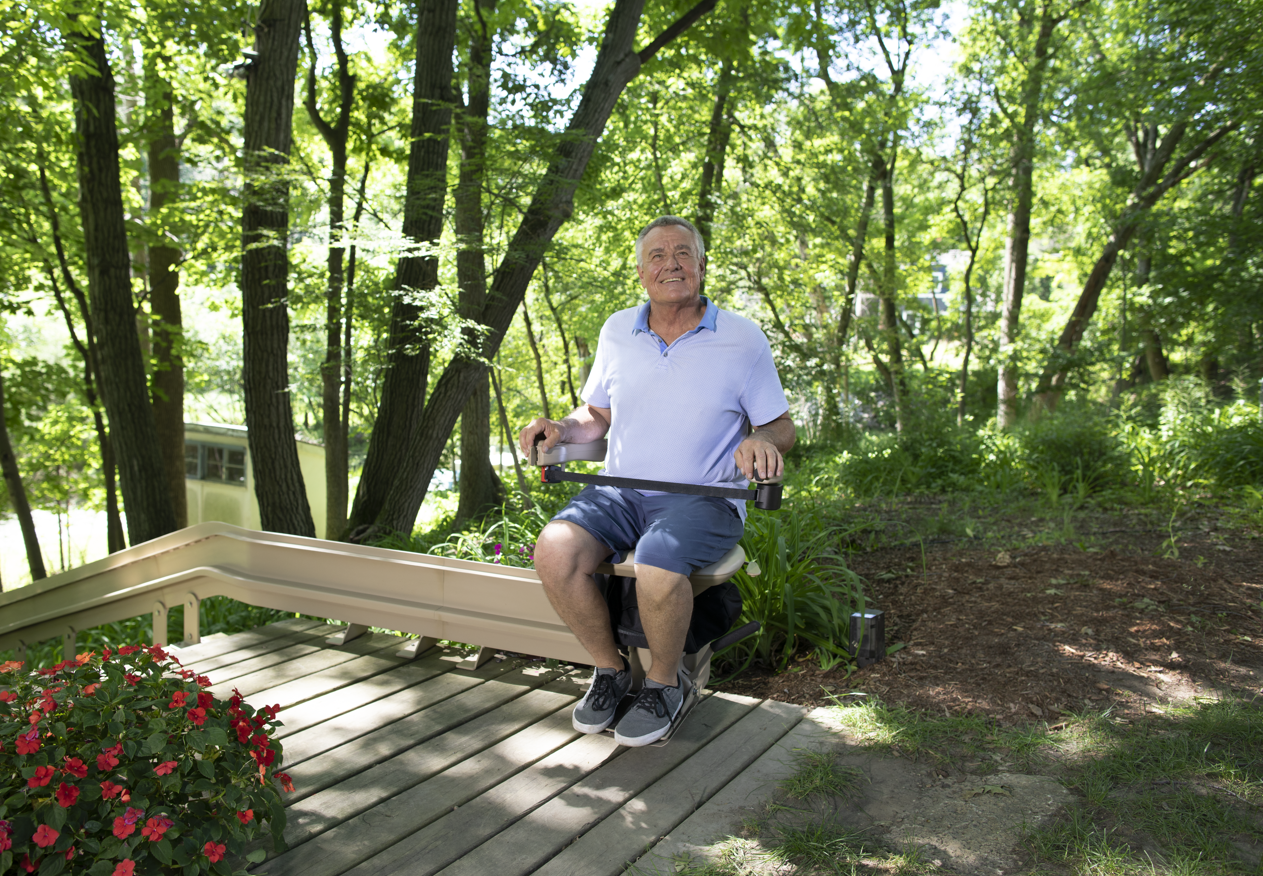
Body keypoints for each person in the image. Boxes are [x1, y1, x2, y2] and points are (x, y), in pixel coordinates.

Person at [518, 215, 794, 747]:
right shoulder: (618, 329)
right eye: (658, 256)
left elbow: (780, 425)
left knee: (658, 557)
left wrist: (764, 441)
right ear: (642, 273)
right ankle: (609, 671)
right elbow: (597, 416)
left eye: (683, 253)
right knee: (554, 549)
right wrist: (561, 427)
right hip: (620, 492)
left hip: (703, 500)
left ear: (702, 265)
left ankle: (667, 685)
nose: (672, 264)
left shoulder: (741, 337)